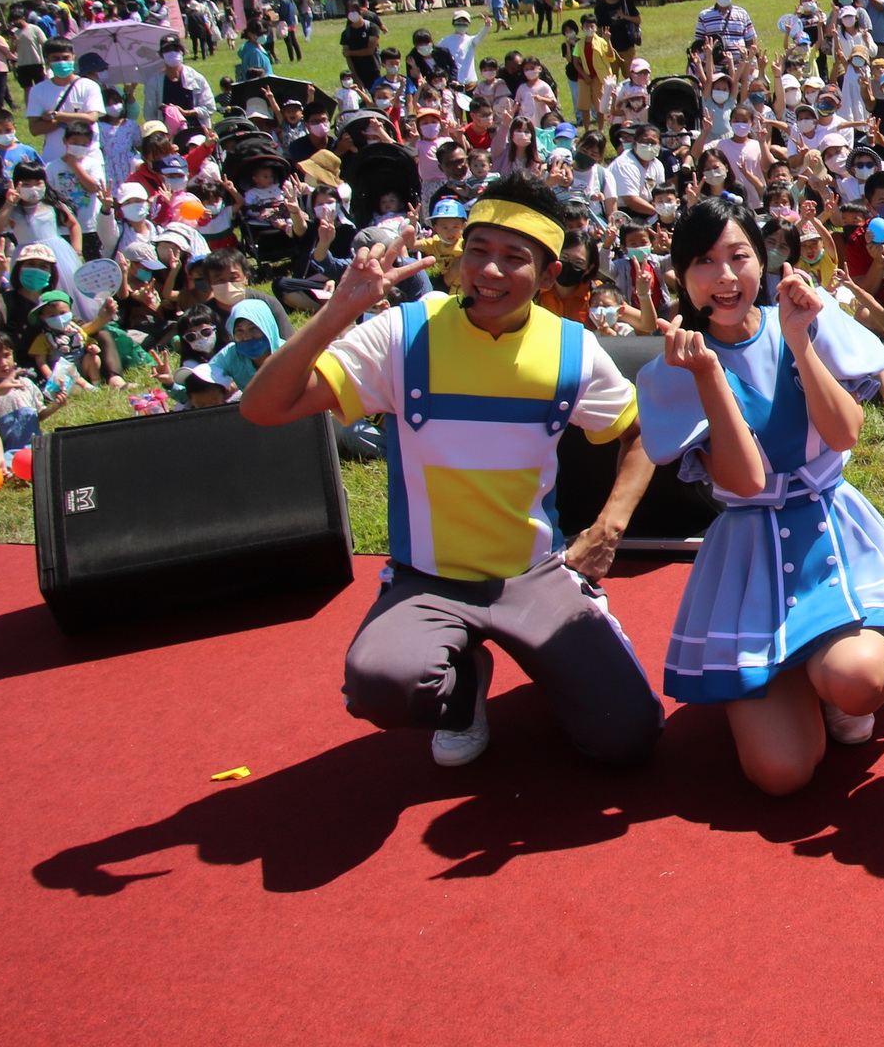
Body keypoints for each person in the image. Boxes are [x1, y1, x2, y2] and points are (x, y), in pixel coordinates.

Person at [237, 174, 665, 770]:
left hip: (532, 574)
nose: (489, 272)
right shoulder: (402, 335)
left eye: (513, 259)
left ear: (546, 277)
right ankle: (463, 685)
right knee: (380, 687)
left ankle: (577, 623)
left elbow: (641, 433)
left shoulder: (574, 349)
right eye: (478, 252)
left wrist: (608, 527)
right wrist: (339, 311)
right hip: (428, 578)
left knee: (627, 739)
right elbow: (263, 409)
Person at [639, 197, 884, 794]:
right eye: (703, 262)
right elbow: (744, 482)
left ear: (763, 261)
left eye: (737, 256)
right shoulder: (676, 369)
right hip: (749, 555)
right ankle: (785, 675)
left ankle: (825, 680)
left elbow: (845, 432)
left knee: (856, 683)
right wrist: (708, 377)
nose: (724, 277)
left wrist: (800, 342)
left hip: (831, 531)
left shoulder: (805, 318)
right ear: (682, 278)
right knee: (781, 774)